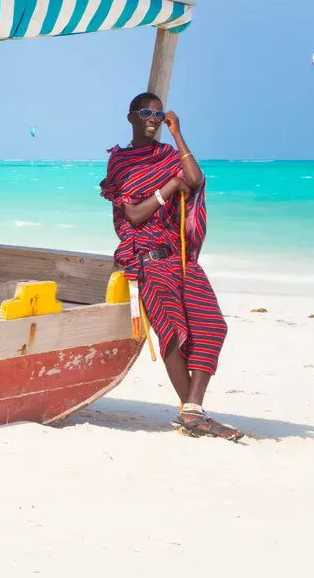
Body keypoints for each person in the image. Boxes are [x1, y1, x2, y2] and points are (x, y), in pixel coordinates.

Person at [100, 92, 242, 441]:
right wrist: (166, 190)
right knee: (174, 333)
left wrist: (177, 136)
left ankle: (192, 411)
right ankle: (193, 414)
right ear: (131, 116)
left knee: (213, 325)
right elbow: (133, 214)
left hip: (180, 257)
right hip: (147, 260)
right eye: (146, 112)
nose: (153, 118)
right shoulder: (120, 163)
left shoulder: (168, 154)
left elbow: (195, 179)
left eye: (159, 114)